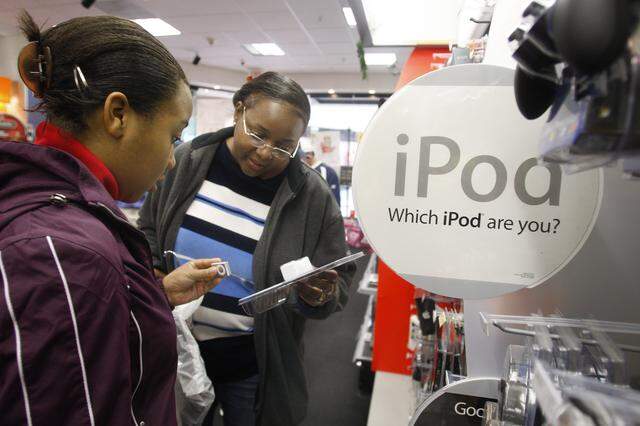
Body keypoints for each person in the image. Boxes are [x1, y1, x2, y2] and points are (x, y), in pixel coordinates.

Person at [0, 12, 225, 425]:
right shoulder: (63, 253)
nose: (172, 158)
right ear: (118, 114)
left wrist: (153, 294)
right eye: (173, 136)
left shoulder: (69, 217)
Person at [138, 72, 356, 426]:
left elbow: (338, 279)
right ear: (238, 110)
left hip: (252, 364)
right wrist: (156, 276)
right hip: (176, 351)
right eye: (257, 133)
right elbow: (148, 229)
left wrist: (319, 295)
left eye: (286, 146)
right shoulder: (188, 160)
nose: (267, 152)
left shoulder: (312, 196)